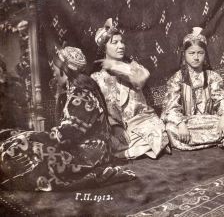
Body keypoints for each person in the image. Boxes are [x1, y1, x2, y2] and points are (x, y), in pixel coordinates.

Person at [0, 46, 135, 191]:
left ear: (64, 70)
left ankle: (97, 175)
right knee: (14, 139)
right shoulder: (75, 90)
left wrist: (33, 136)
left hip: (89, 154)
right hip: (80, 148)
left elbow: (67, 132)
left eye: (55, 69)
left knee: (24, 149)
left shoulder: (82, 94)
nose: (53, 72)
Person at [91, 18, 169, 159]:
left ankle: (134, 149)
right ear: (104, 48)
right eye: (115, 43)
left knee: (159, 131)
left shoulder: (133, 67)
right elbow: (99, 109)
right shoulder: (96, 78)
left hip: (143, 123)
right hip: (117, 129)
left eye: (122, 42)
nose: (121, 46)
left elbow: (142, 78)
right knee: (104, 143)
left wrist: (114, 66)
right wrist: (115, 126)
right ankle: (133, 148)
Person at [161, 27, 224, 150]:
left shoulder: (213, 76)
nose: (196, 57)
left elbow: (222, 100)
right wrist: (181, 125)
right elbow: (171, 107)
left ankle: (193, 142)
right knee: (171, 128)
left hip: (209, 119)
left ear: (205, 55)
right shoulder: (177, 78)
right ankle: (221, 137)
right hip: (187, 122)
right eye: (191, 53)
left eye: (200, 53)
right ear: (184, 54)